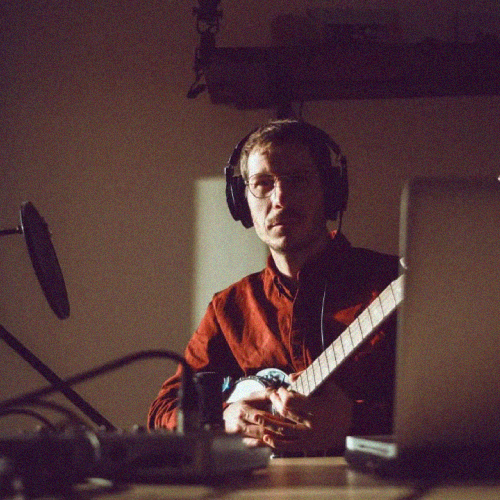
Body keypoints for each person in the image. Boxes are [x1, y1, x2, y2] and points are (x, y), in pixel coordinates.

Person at [148, 119, 399, 456]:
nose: (280, 198)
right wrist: (223, 418)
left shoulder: (394, 282)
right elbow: (163, 410)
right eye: (263, 184)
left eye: (297, 180)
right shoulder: (229, 308)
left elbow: (456, 409)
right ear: (242, 202)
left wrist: (355, 421)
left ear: (329, 191)